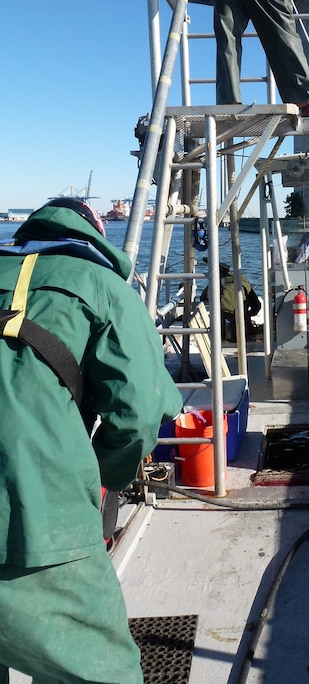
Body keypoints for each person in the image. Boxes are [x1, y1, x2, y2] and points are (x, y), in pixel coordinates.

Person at [0, 198, 183, 683]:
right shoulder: (101, 286)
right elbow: (141, 408)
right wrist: (107, 476)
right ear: (96, 234)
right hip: (37, 524)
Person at [200, 262, 261, 342]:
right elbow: (257, 306)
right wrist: (249, 314)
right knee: (243, 312)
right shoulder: (242, 281)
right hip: (241, 321)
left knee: (218, 310)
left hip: (221, 319)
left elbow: (203, 298)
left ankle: (222, 336)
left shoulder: (215, 283)